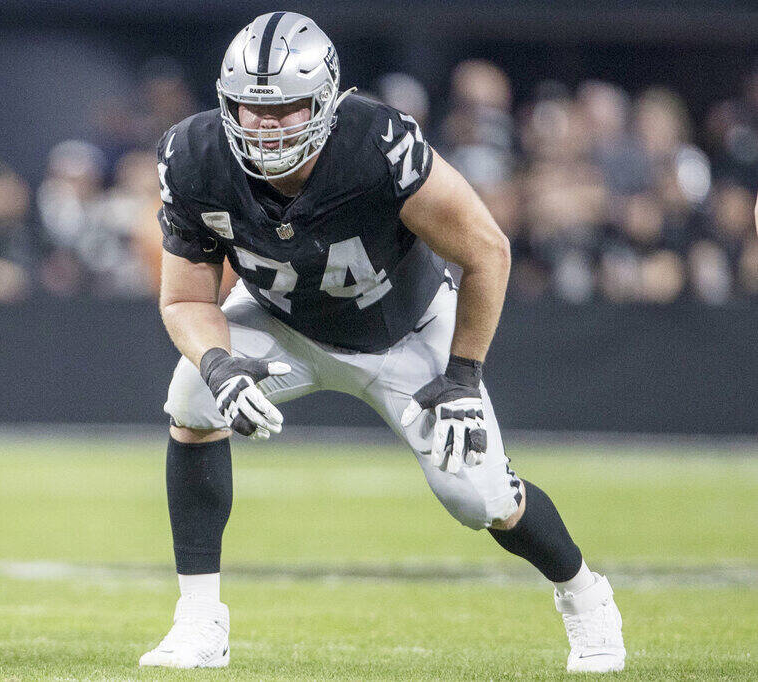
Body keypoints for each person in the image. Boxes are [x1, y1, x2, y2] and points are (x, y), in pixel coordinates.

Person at [141, 12, 625, 673]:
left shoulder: (375, 144)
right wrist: (219, 363)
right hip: (281, 319)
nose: (266, 123)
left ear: (325, 100)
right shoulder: (193, 157)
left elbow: (485, 250)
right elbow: (186, 300)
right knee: (192, 394)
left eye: (286, 107)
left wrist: (463, 374)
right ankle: (198, 622)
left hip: (405, 331)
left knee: (478, 498)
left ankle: (584, 596)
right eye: (252, 107)